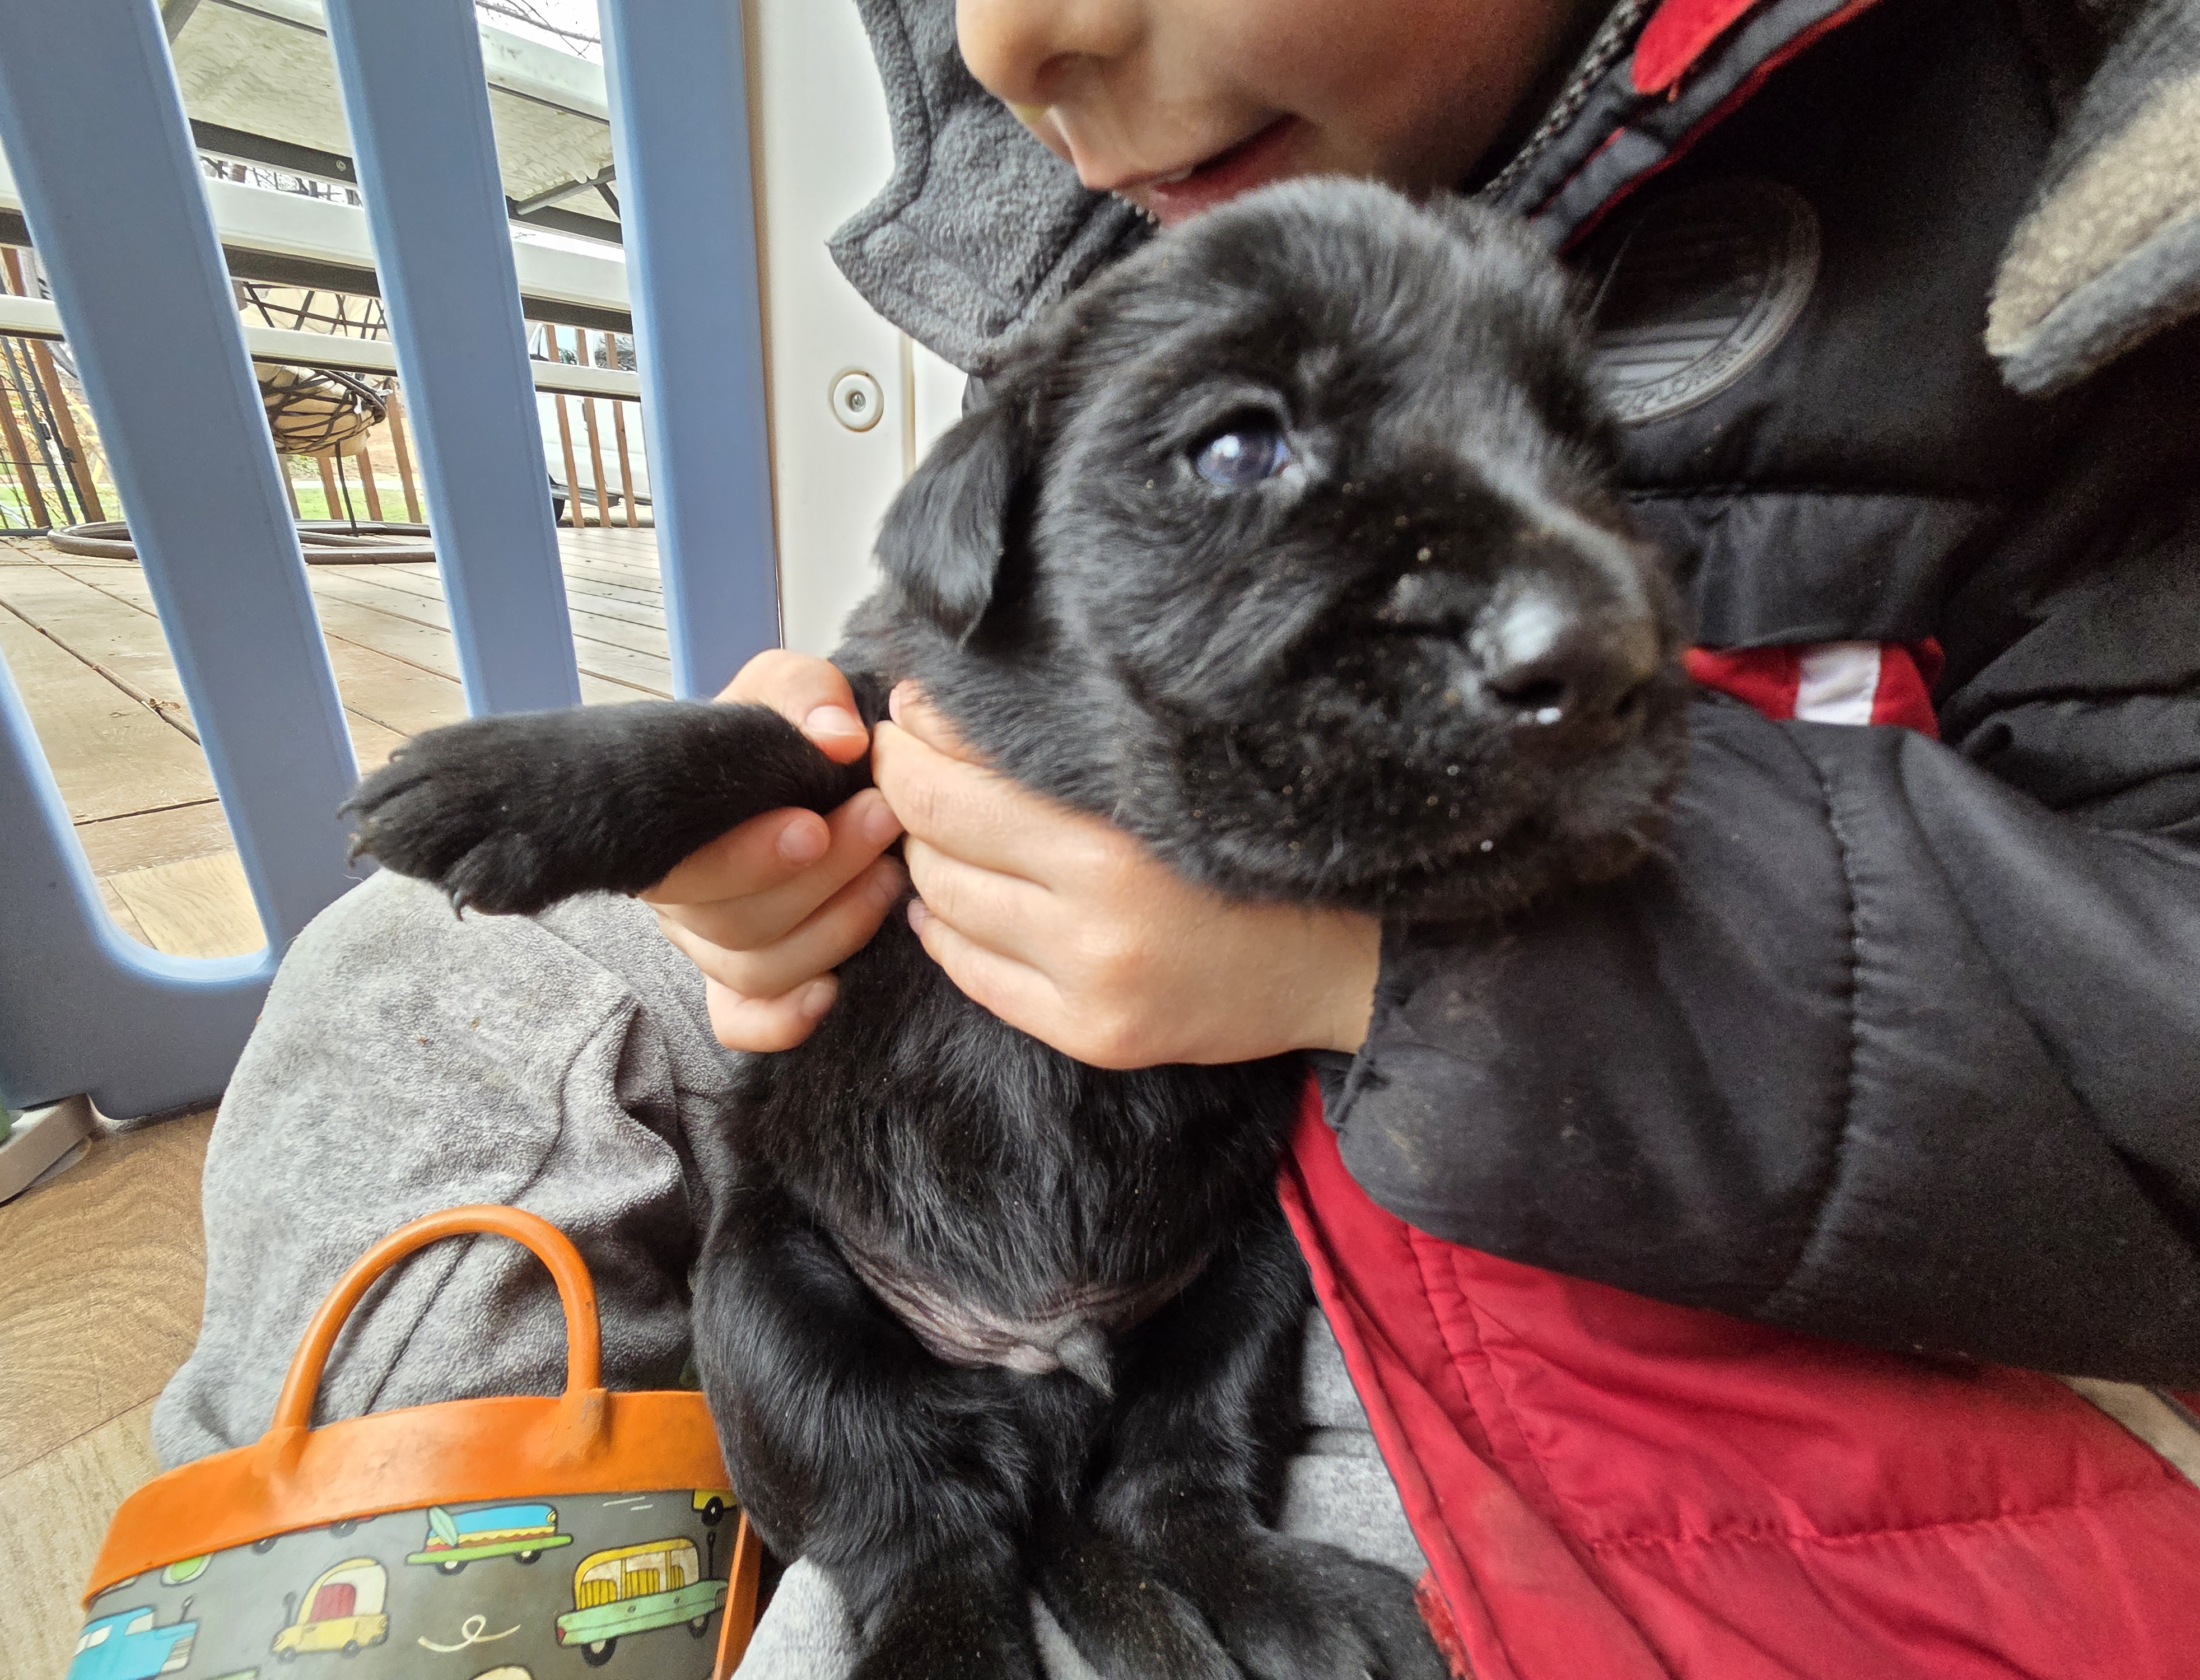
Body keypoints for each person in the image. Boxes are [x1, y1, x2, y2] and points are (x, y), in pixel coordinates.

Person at [158, 0, 2200, 1674]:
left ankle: (1017, 1556)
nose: (1013, 35)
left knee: (951, 1617)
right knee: (421, 976)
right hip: (931, 1077)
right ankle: (360, 1599)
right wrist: (750, 802)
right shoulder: (1143, 204)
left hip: (1506, 1199)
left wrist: (1360, 967)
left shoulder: (2082, 262)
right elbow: (947, 630)